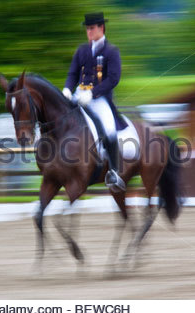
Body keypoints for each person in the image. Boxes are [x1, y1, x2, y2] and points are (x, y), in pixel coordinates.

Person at [62, 12, 127, 192]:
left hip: (100, 99)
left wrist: (93, 93)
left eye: (91, 28)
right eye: (87, 29)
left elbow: (113, 79)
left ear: (101, 28)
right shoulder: (82, 50)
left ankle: (114, 172)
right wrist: (67, 89)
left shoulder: (111, 51)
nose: (89, 32)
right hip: (79, 95)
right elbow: (73, 74)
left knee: (109, 129)